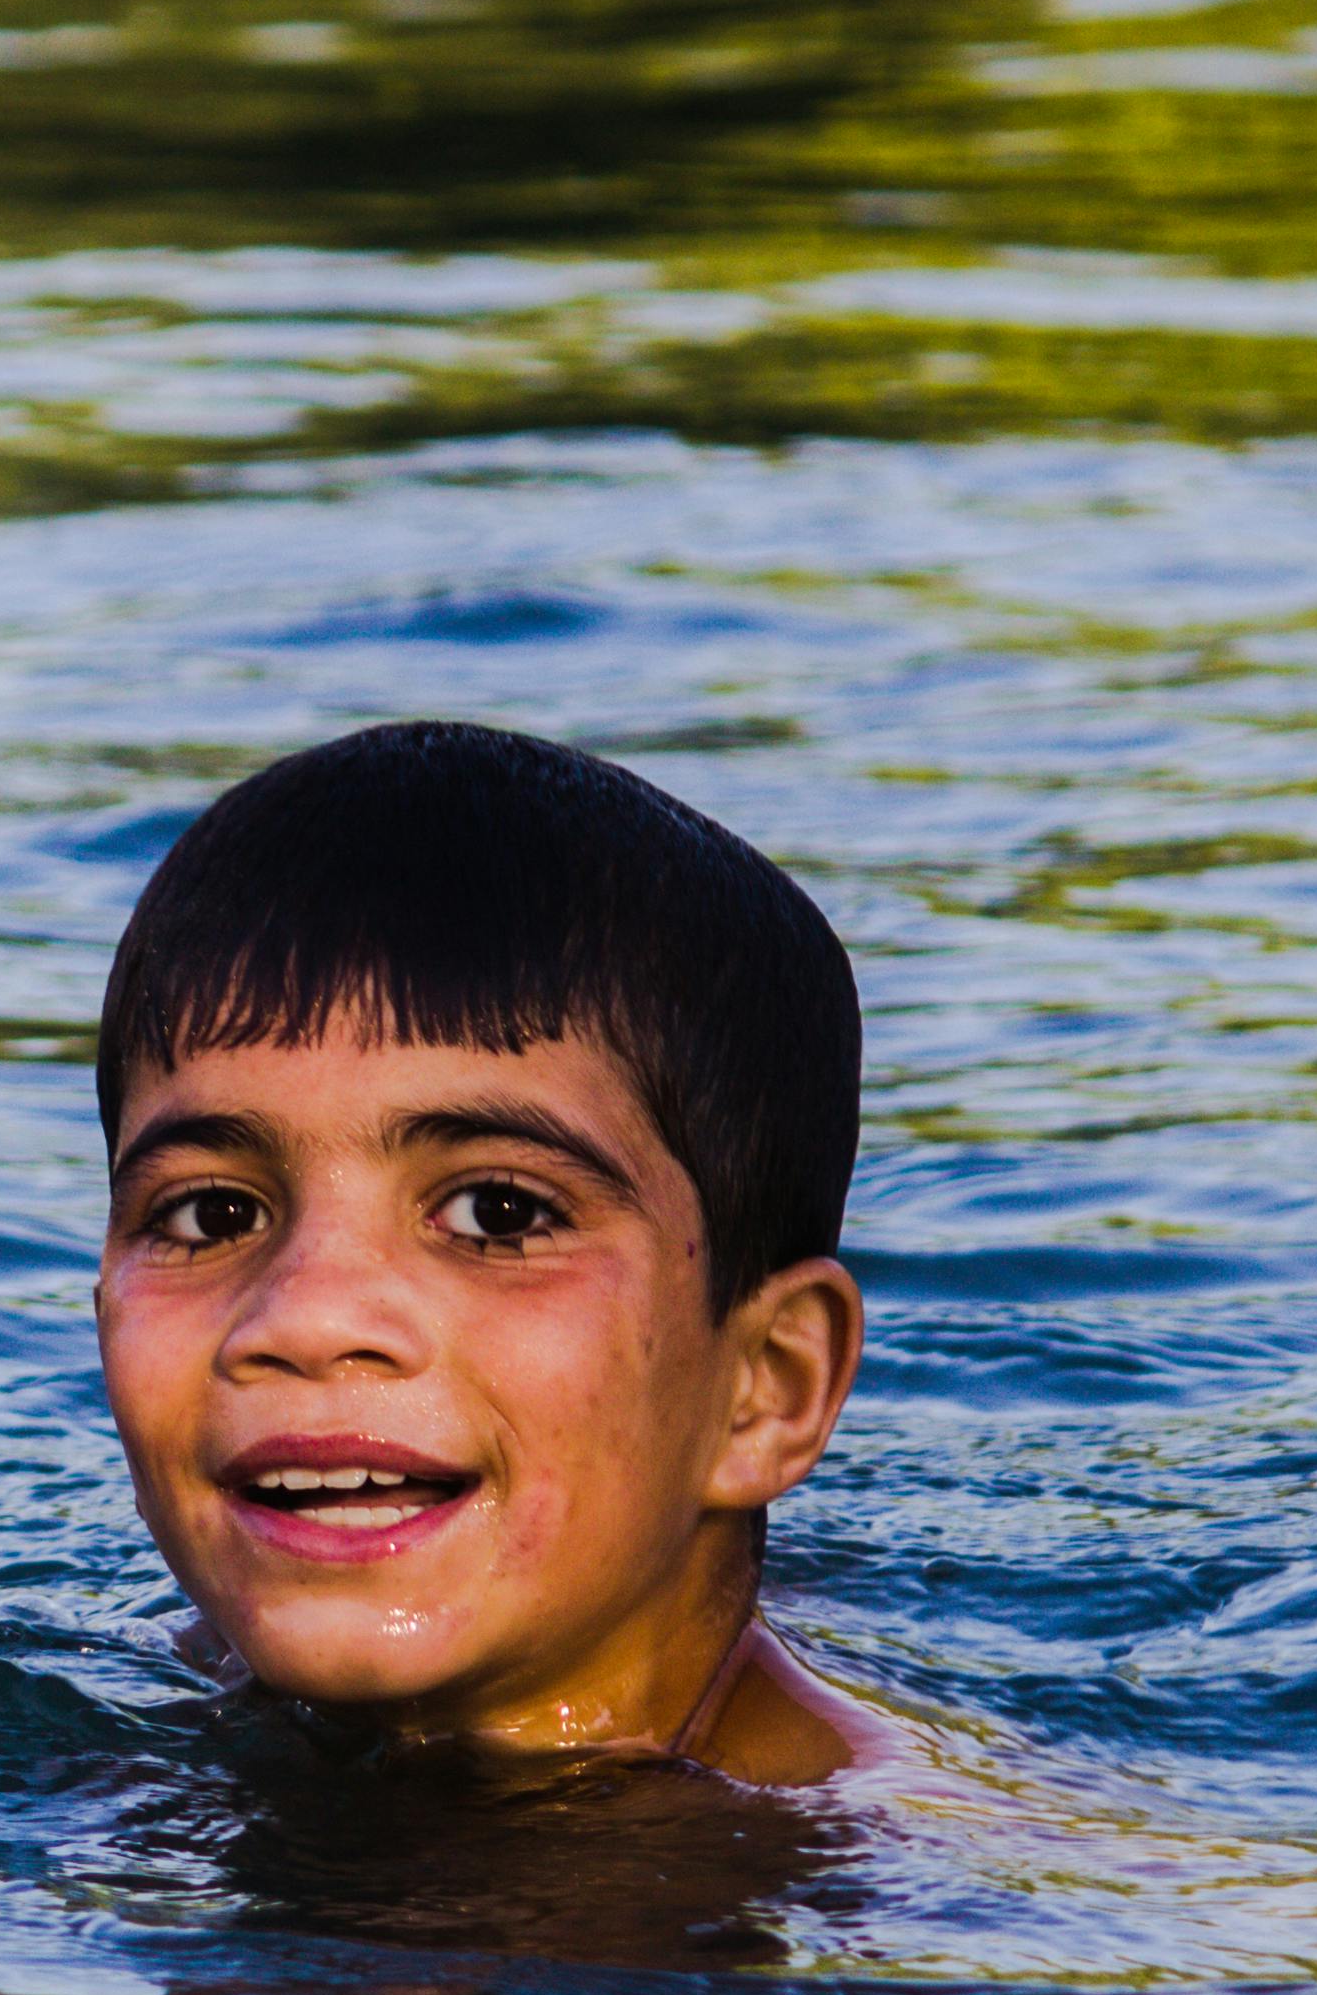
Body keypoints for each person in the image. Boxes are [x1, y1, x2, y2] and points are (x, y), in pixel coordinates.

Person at [94, 720, 879, 1786]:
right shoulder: (83, 1720)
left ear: (764, 1390)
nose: (308, 1318)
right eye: (213, 1218)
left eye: (499, 1215)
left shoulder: (931, 1896)